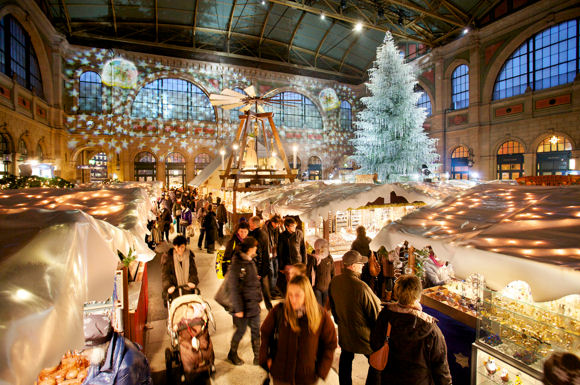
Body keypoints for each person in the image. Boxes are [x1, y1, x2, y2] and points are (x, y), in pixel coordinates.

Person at [370, 274, 452, 385]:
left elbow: (374, 343)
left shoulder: (384, 316)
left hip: (389, 378)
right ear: (418, 295)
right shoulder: (431, 329)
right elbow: (440, 367)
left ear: (397, 292)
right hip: (419, 380)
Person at [259, 275, 337, 385]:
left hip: (307, 378)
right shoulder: (279, 311)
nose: (293, 299)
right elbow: (265, 333)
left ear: (307, 295)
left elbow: (330, 343)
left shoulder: (320, 315)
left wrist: (321, 370)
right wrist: (265, 359)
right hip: (281, 376)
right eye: (290, 295)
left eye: (297, 295)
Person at [329, 250, 381, 385]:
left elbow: (333, 308)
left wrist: (340, 322)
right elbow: (375, 315)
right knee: (376, 362)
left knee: (345, 359)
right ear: (352, 266)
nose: (362, 265)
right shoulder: (361, 287)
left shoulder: (335, 282)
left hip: (345, 332)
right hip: (363, 337)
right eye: (360, 263)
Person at [83, 314, 152, 385]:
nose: (83, 354)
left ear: (97, 348)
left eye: (84, 350)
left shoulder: (125, 367)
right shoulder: (107, 349)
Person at [227, 237, 262, 366]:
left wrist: (259, 299)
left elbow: (254, 283)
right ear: (249, 248)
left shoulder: (250, 261)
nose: (256, 249)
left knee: (256, 330)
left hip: (253, 304)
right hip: (242, 306)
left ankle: (257, 356)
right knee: (240, 331)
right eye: (255, 247)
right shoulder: (237, 263)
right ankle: (232, 353)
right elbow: (233, 288)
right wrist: (238, 308)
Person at [162, 235, 199, 303]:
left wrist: (192, 281)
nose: (180, 250)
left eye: (182, 247)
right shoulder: (169, 257)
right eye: (178, 247)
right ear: (174, 246)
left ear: (185, 246)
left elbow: (193, 272)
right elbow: (165, 275)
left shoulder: (189, 256)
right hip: (174, 290)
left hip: (188, 289)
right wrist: (169, 286)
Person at [249, 216, 273, 310]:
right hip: (265, 266)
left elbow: (258, 254)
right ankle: (269, 308)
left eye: (250, 223)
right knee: (265, 290)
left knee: (257, 290)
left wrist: (258, 271)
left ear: (254, 224)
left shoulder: (257, 235)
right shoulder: (264, 233)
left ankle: (259, 309)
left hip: (260, 268)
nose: (249, 224)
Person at [277, 217, 306, 295]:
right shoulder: (282, 236)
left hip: (298, 263)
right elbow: (280, 252)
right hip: (288, 264)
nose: (294, 227)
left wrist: (304, 263)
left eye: (294, 225)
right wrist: (281, 267)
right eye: (292, 226)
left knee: (300, 283)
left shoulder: (299, 233)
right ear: (287, 227)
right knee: (291, 284)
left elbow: (303, 248)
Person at [306, 238, 335, 307]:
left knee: (326, 308)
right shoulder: (313, 258)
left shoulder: (329, 258)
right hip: (317, 288)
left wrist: (333, 286)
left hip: (327, 288)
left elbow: (333, 272)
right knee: (318, 308)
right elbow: (309, 273)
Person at [265, 214, 282, 296]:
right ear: (272, 222)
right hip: (269, 253)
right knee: (271, 272)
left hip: (276, 253)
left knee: (276, 271)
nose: (277, 225)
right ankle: (271, 290)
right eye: (276, 223)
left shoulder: (278, 229)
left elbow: (279, 240)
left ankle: (274, 288)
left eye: (278, 224)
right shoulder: (266, 229)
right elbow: (267, 242)